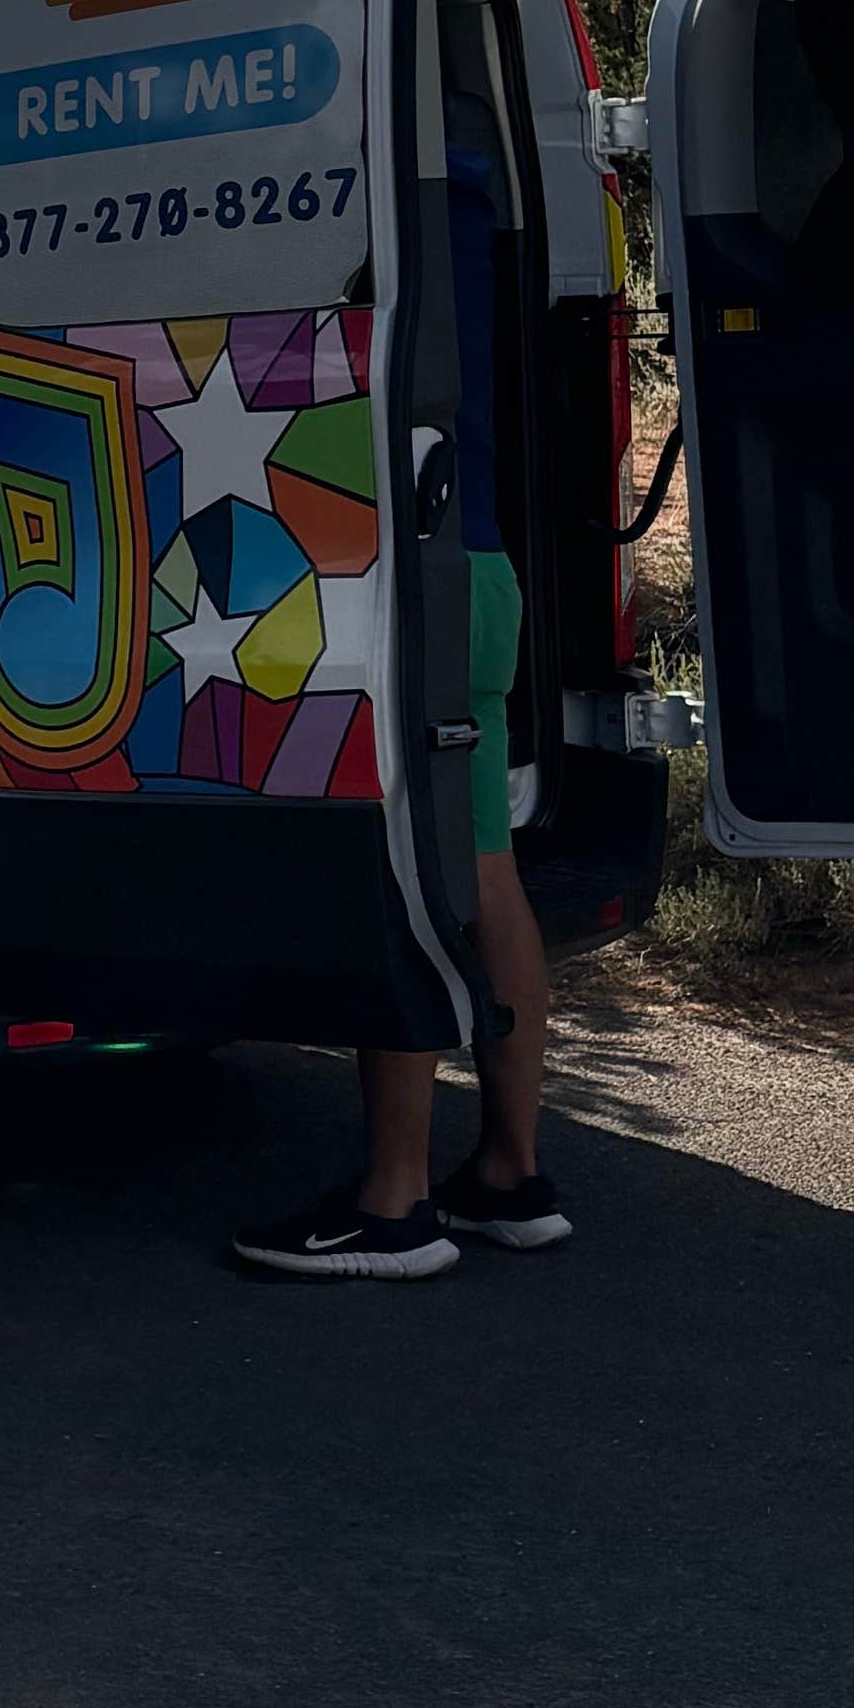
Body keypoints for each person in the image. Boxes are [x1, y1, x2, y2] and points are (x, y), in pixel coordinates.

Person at [231, 92, 571, 1280]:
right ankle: (508, 1172)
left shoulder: (363, 188)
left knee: (406, 875)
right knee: (483, 870)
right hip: (478, 565)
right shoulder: (471, 189)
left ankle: (391, 1205)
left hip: (401, 576)